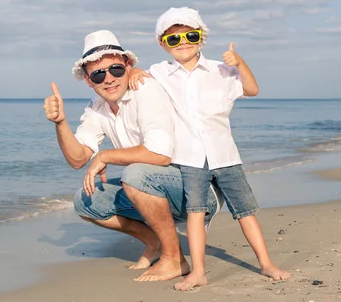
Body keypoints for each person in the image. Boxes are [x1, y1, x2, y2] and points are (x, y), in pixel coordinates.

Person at [129, 7, 291, 290]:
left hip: (225, 153)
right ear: (162, 44)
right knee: (195, 211)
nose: (183, 43)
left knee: (245, 210)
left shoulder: (221, 69)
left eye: (190, 35)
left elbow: (252, 90)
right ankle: (199, 272)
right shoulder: (160, 72)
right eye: (173, 39)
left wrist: (240, 63)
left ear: (201, 37)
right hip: (189, 157)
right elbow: (140, 79)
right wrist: (134, 70)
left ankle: (266, 262)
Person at [43, 29, 224, 282]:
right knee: (86, 200)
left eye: (115, 69)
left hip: (200, 192)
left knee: (135, 173)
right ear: (87, 80)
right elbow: (77, 159)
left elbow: (159, 155)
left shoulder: (145, 89)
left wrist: (105, 156)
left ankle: (174, 259)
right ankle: (154, 243)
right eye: (98, 74)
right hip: (158, 188)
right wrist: (61, 122)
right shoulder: (98, 108)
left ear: (128, 66)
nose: (108, 79)